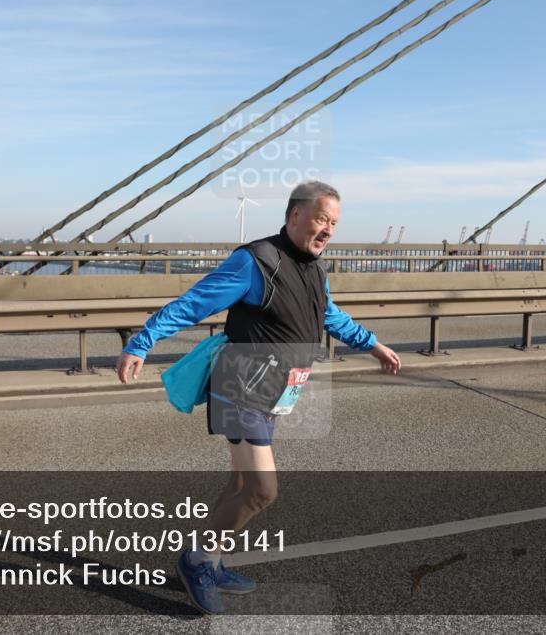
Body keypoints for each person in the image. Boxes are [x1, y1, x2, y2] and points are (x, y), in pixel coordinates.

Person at [115, 181, 400, 615]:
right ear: (295, 216)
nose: (328, 230)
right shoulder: (256, 261)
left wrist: (372, 344)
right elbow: (194, 303)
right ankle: (197, 561)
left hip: (275, 391)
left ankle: (211, 560)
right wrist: (141, 342)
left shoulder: (314, 269)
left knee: (241, 485)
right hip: (239, 386)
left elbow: (329, 315)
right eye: (321, 219)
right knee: (263, 490)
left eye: (334, 223)